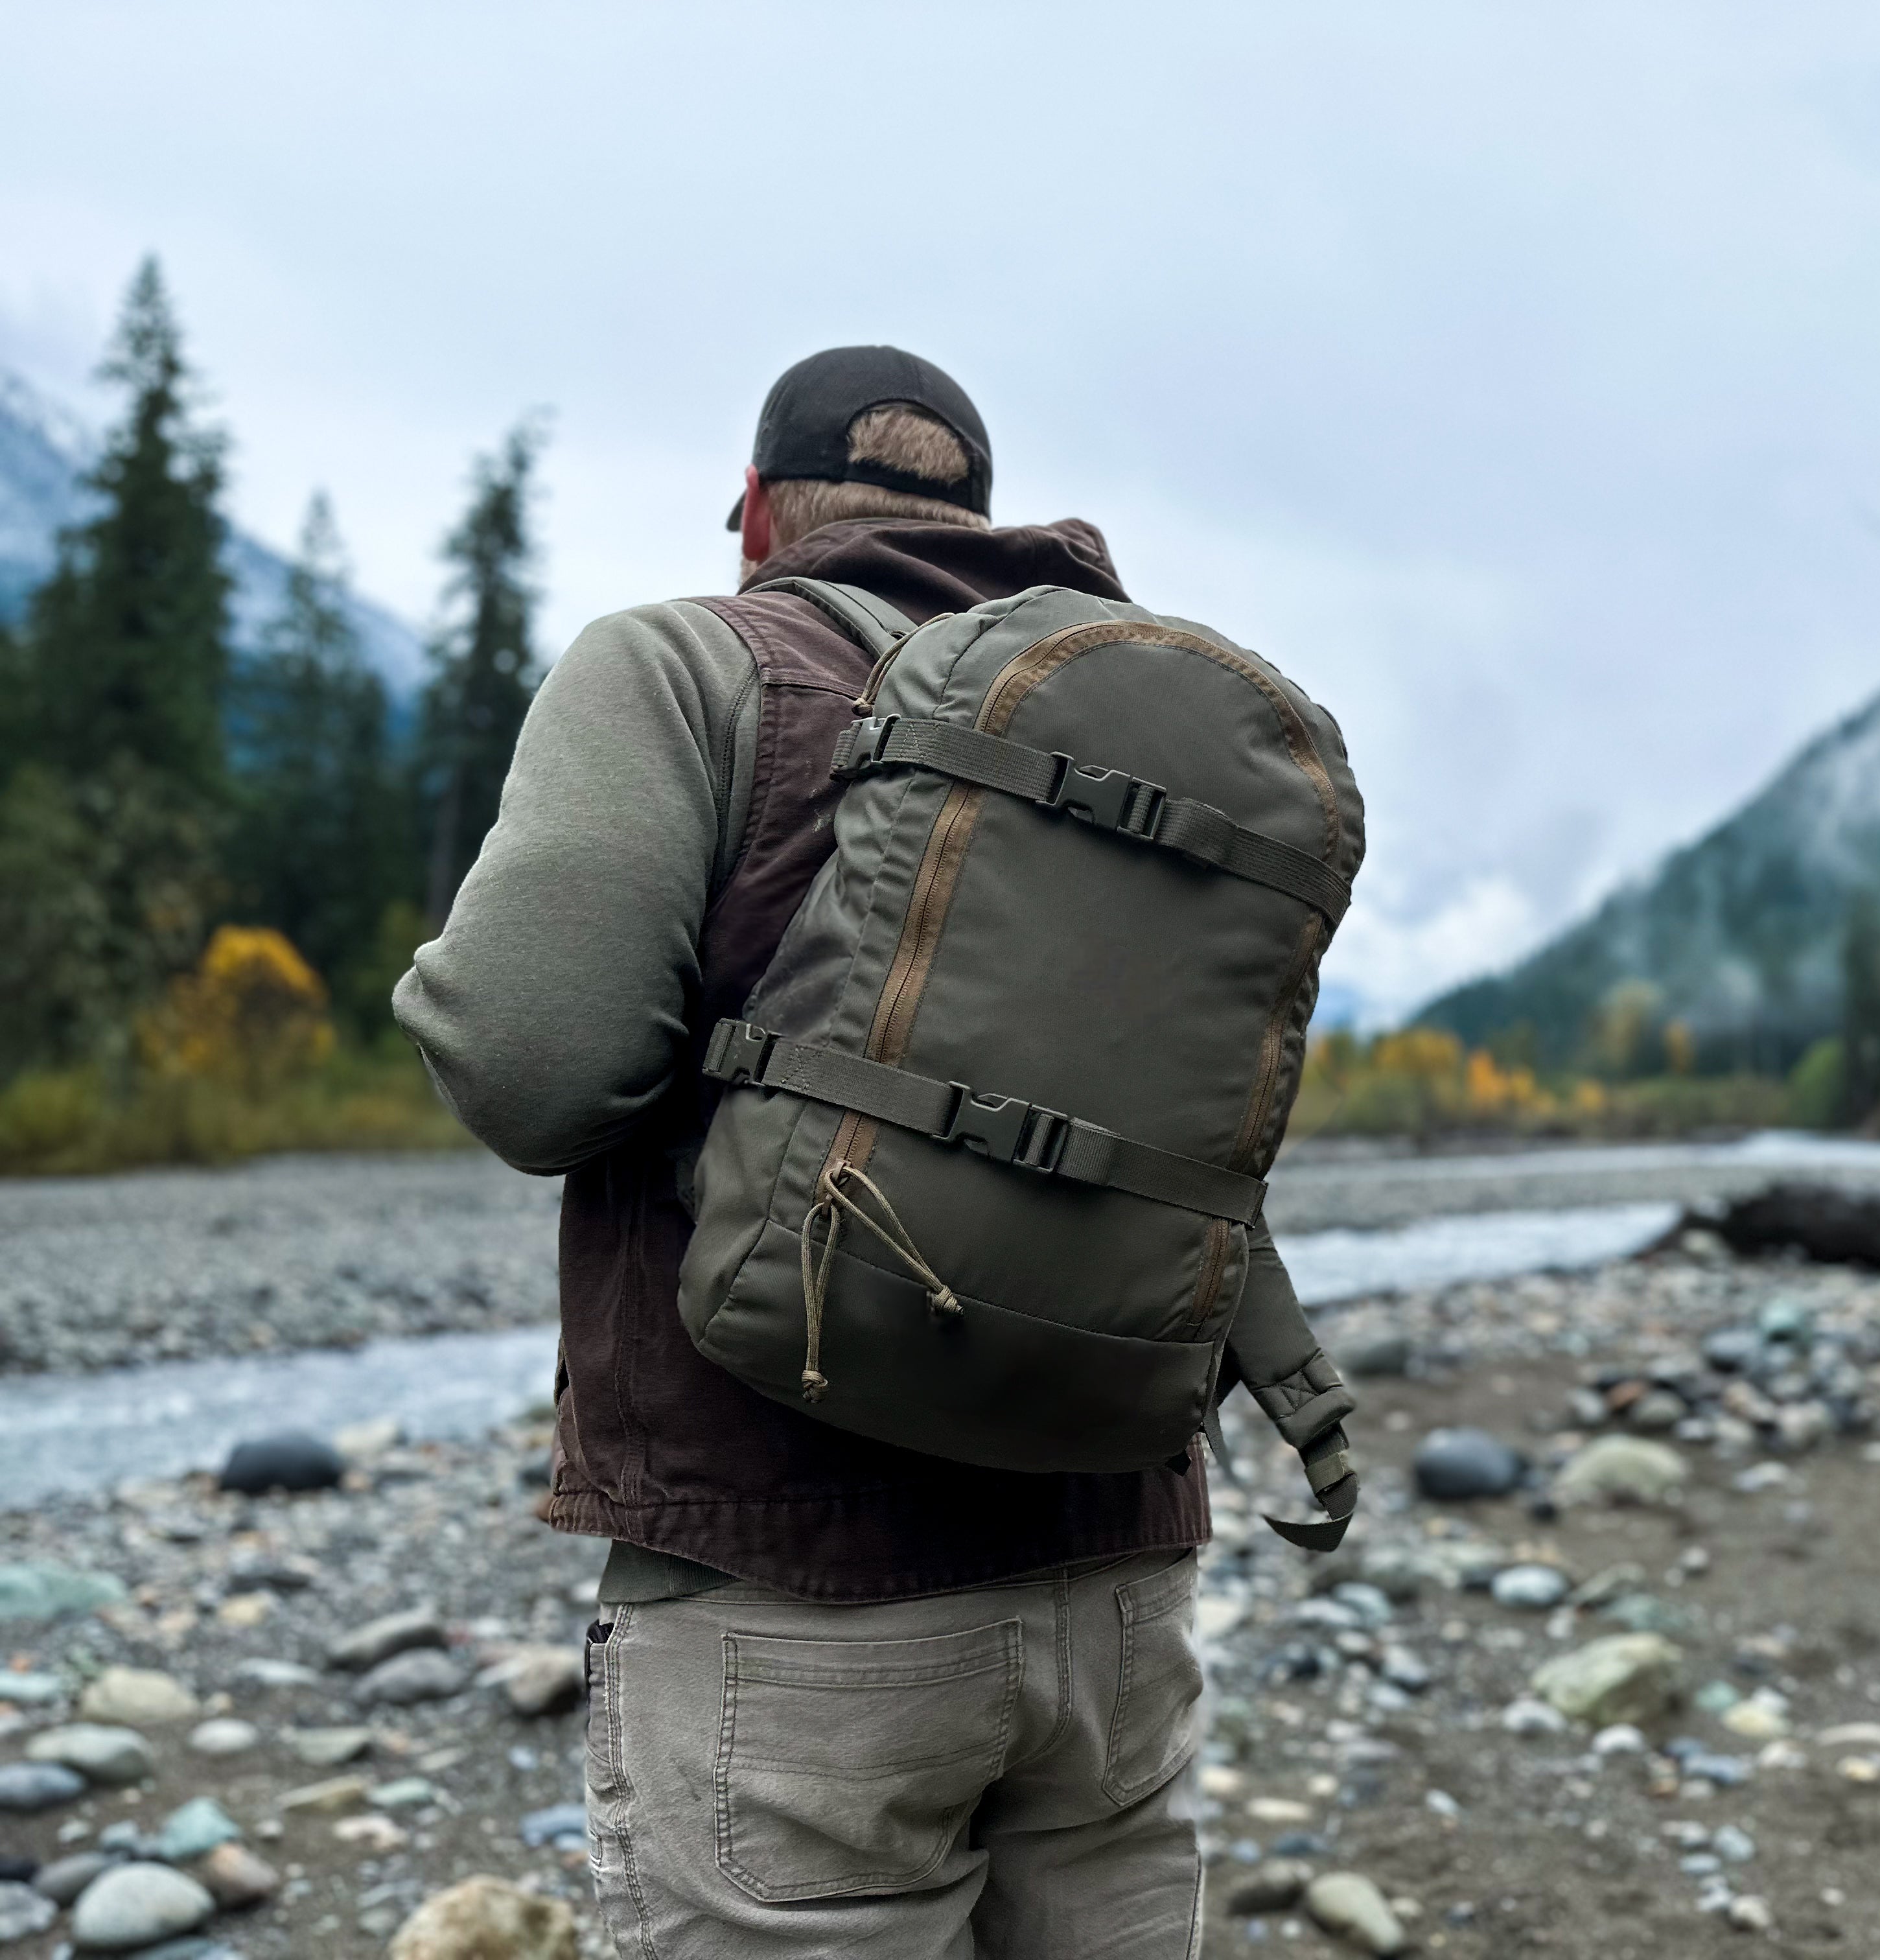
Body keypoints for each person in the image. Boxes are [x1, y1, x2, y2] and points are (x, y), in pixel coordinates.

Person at [397, 346, 1264, 1956]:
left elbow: (531, 1066)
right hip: (1122, 1584)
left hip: (787, 1590)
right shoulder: (1147, 733)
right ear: (984, 530)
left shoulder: (689, 665)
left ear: (754, 519)